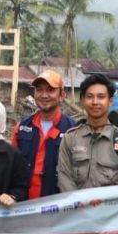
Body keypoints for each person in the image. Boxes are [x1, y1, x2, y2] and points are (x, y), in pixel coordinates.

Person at [57, 73, 118, 191]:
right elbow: (64, 176)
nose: (95, 102)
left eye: (101, 97)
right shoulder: (70, 138)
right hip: (77, 207)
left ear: (110, 101)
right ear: (82, 100)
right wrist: (78, 203)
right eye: (89, 97)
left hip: (109, 208)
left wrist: (101, 203)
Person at [11, 70, 75, 199]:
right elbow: (12, 167)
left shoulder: (73, 130)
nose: (44, 95)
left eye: (50, 90)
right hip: (25, 205)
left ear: (62, 95)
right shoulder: (22, 127)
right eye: (39, 90)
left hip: (58, 206)